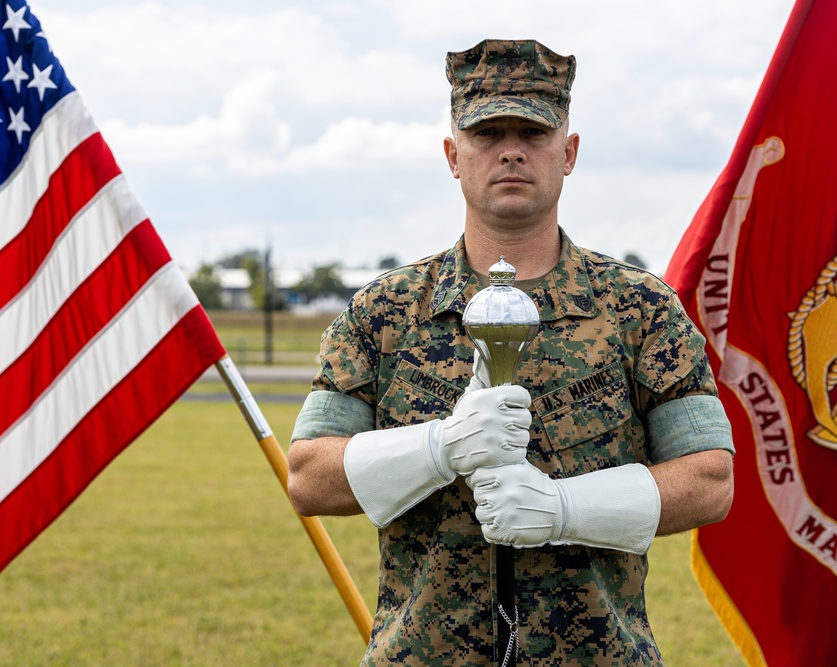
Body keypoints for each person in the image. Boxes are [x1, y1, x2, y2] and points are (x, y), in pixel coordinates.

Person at [286, 39, 735, 666]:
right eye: (487, 132)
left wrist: (564, 510)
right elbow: (309, 476)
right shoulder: (387, 311)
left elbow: (710, 480)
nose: (512, 150)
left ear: (569, 152)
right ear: (452, 155)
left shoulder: (639, 310)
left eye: (533, 130)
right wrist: (439, 449)